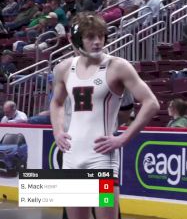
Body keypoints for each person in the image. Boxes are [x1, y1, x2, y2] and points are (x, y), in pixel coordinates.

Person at [49, 12, 159, 219]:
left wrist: (123, 138)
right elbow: (56, 102)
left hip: (101, 158)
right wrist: (57, 131)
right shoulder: (64, 68)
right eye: (91, 37)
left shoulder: (117, 66)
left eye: (100, 36)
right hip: (72, 157)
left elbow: (151, 103)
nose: (97, 42)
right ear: (79, 39)